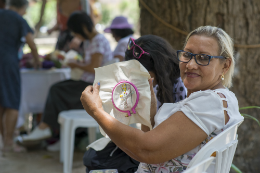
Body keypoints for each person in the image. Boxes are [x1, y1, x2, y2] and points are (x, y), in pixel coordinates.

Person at [80, 26, 244, 172]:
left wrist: (96, 111)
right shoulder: (218, 97)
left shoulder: (209, 102)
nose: (191, 64)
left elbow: (146, 151)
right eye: (187, 54)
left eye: (203, 57)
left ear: (225, 65)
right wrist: (149, 116)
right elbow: (155, 147)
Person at [83, 35, 187, 172]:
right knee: (92, 157)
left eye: (139, 75)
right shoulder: (152, 85)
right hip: (151, 145)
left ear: (159, 69)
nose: (133, 79)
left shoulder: (181, 86)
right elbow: (147, 131)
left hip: (165, 153)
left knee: (103, 162)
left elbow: (153, 141)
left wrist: (97, 111)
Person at [17, 12, 112, 150]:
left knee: (57, 90)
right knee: (58, 91)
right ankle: (59, 136)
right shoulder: (91, 41)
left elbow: (94, 67)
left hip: (92, 87)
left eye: (76, 32)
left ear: (83, 28)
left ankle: (47, 129)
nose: (76, 36)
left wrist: (76, 64)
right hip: (86, 83)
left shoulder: (98, 40)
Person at [0, 0, 40, 152]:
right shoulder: (18, 19)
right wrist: (37, 61)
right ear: (23, 7)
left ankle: (4, 139)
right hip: (8, 62)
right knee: (11, 102)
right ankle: (9, 142)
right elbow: (32, 43)